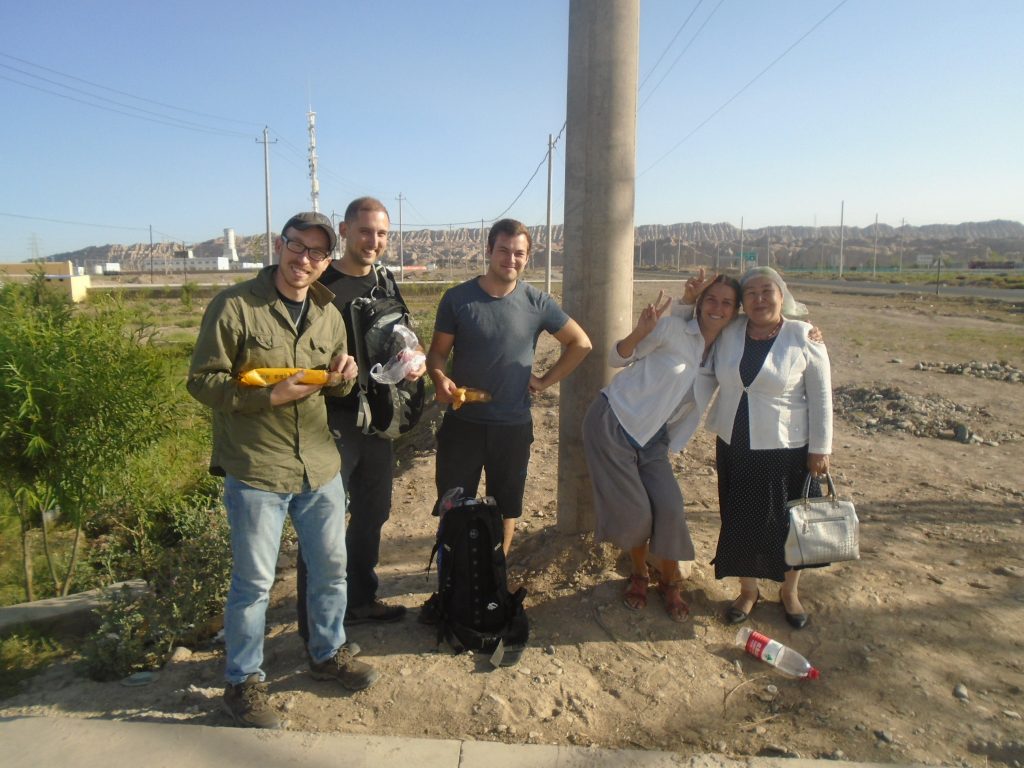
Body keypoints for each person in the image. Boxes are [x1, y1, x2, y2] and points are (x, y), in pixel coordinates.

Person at [187, 211, 379, 730]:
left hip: (319, 467)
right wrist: (266, 396)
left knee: (331, 570)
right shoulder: (235, 307)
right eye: (298, 247)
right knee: (254, 583)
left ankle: (326, 653)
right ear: (280, 244)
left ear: (326, 260)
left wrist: (345, 376)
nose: (305, 260)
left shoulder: (328, 313)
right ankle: (243, 682)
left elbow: (334, 384)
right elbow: (202, 382)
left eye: (318, 253)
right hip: (256, 470)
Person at [295, 197, 425, 638]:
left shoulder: (385, 281)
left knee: (374, 512)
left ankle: (361, 600)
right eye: (366, 231)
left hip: (378, 421)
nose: (374, 241)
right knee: (322, 525)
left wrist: (415, 358)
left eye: (382, 233)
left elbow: (402, 332)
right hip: (329, 422)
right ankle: (316, 625)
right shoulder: (319, 283)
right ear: (345, 231)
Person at [426, 218, 592, 557]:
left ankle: (493, 576)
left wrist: (545, 380)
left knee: (505, 508)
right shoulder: (458, 299)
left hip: (512, 427)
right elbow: (438, 354)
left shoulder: (537, 303)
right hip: (463, 425)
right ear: (488, 251)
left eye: (519, 253)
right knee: (453, 505)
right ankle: (453, 578)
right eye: (503, 250)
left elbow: (581, 343)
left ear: (527, 257)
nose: (510, 259)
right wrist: (440, 378)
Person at [582, 277, 740, 622]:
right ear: (700, 303)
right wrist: (641, 331)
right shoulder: (672, 331)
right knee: (638, 513)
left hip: (655, 438)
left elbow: (771, 321)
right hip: (615, 421)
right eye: (711, 299)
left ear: (735, 312)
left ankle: (670, 581)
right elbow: (616, 356)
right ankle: (639, 574)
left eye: (727, 303)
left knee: (670, 508)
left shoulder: (726, 350)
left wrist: (804, 332)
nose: (717, 308)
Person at [705, 266, 832, 630]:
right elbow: (699, 327)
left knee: (788, 524)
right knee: (740, 518)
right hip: (736, 443)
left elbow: (821, 396)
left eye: (767, 291)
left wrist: (821, 449)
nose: (759, 299)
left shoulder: (803, 334)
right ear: (743, 301)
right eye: (751, 293)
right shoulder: (730, 332)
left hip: (786, 449)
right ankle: (748, 591)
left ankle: (789, 593)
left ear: (782, 295)